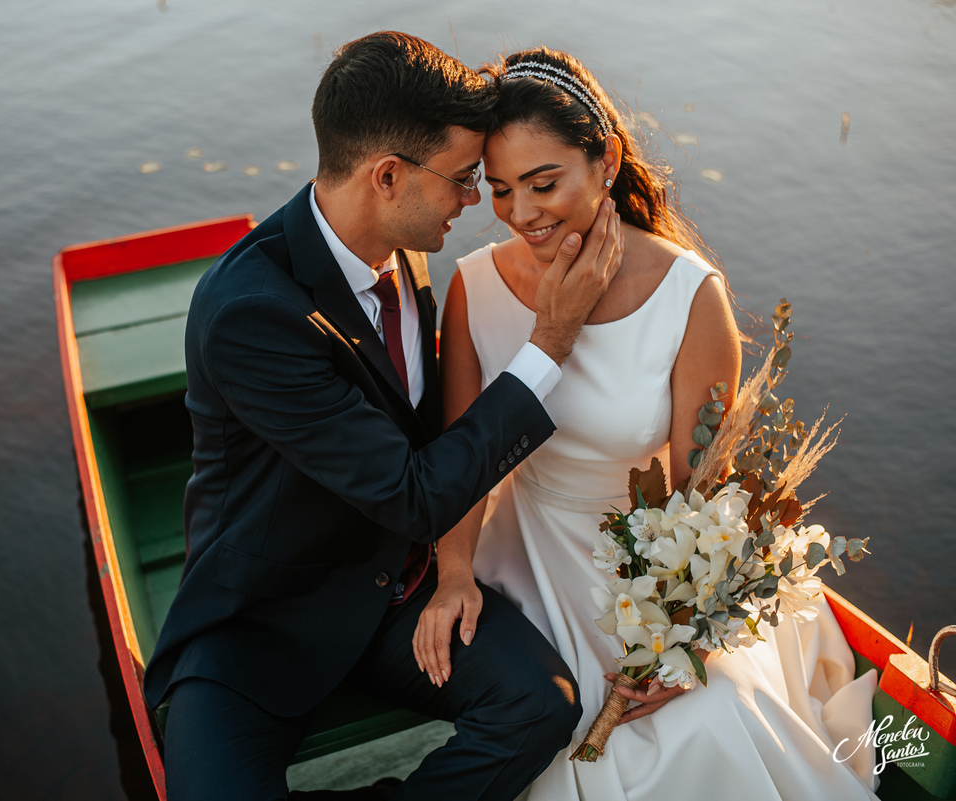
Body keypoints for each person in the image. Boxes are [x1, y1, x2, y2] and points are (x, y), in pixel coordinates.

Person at [143, 32, 626, 800]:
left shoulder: (407, 247)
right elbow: (415, 491)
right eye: (465, 180)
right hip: (262, 625)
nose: (478, 203)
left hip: (396, 591)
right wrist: (549, 344)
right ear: (389, 175)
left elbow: (431, 432)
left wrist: (454, 572)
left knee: (540, 706)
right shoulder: (250, 314)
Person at [413, 46, 879, 801]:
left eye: (543, 183)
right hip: (526, 554)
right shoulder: (474, 288)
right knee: (557, 730)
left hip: (653, 566)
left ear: (606, 161)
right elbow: (463, 458)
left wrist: (677, 634)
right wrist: (455, 575)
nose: (521, 213)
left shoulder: (690, 296)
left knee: (717, 715)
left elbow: (705, 497)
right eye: (499, 190)